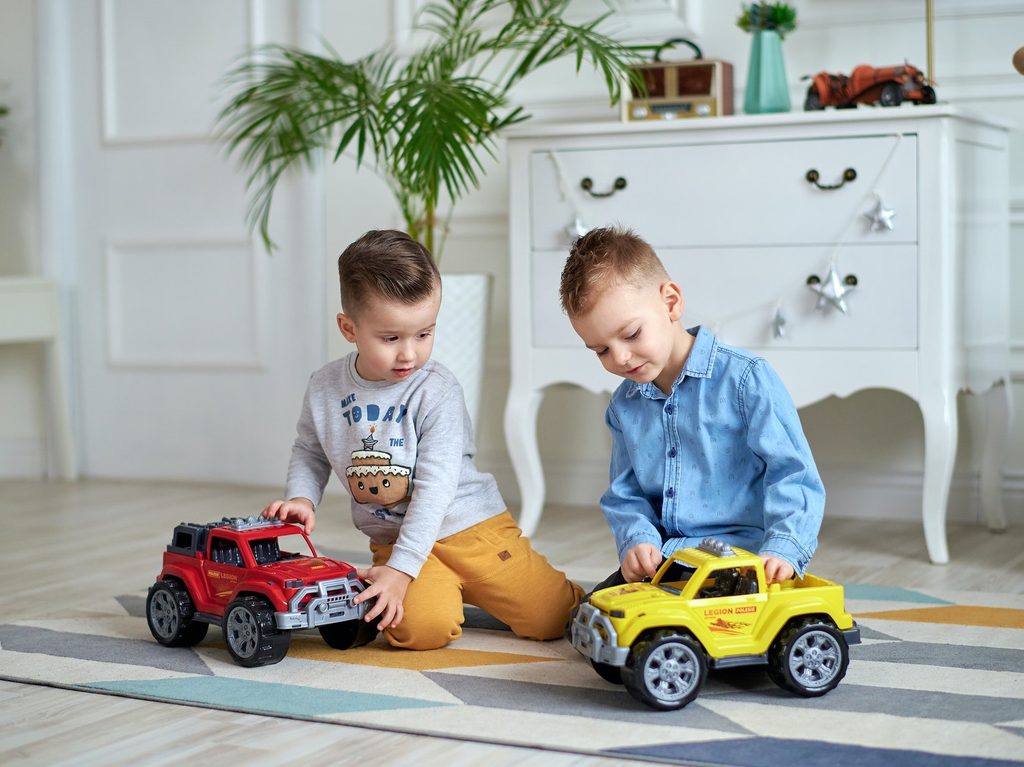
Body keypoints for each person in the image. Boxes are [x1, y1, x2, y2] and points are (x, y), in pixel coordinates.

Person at [263, 229, 582, 650]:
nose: (409, 354)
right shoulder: (324, 387)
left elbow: (435, 488)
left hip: (469, 528)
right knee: (418, 632)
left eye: (424, 334)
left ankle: (541, 591)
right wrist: (302, 497)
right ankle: (439, 589)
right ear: (349, 328)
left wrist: (403, 570)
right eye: (391, 338)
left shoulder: (437, 390)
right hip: (396, 539)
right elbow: (309, 449)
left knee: (555, 618)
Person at [558, 226, 824, 594]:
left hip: (740, 562)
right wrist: (636, 540)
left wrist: (784, 548)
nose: (619, 357)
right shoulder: (624, 405)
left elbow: (792, 472)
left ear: (670, 303)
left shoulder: (747, 380)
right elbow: (626, 491)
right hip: (667, 563)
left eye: (631, 334)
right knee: (594, 616)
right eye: (600, 350)